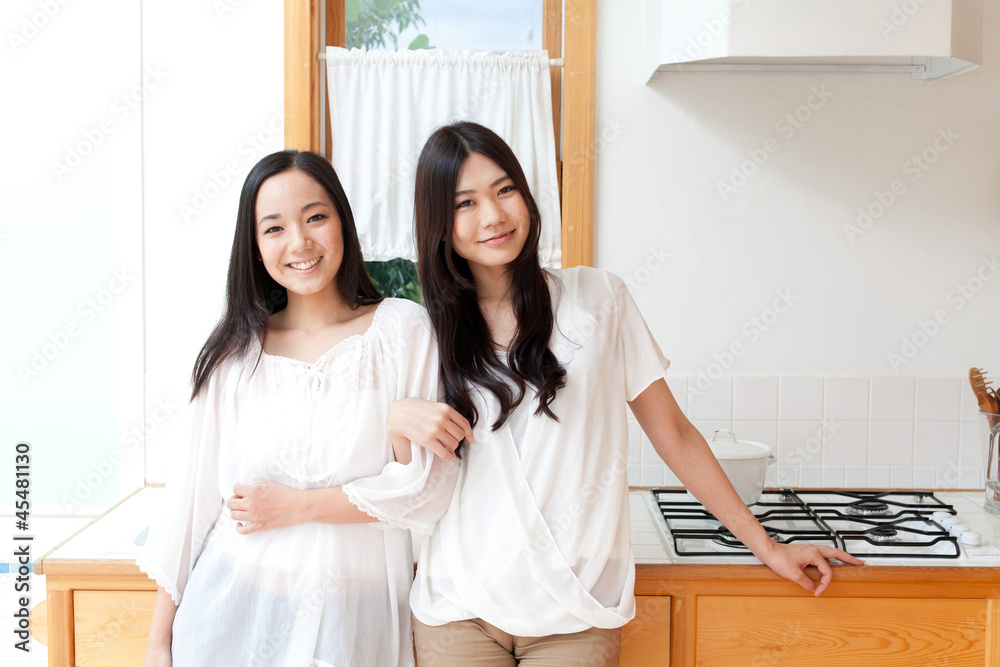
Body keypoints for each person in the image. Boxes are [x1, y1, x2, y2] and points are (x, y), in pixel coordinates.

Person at [239, 123, 864, 666]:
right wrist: (397, 420)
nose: (493, 216)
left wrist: (765, 544)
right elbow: (407, 484)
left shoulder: (600, 299)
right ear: (440, 224)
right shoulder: (424, 331)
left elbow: (672, 433)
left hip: (575, 611)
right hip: (458, 610)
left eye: (505, 189)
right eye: (465, 203)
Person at [136, 149, 459, 667]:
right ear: (255, 247)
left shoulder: (401, 330)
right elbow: (191, 503)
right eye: (274, 228)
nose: (300, 242)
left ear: (343, 224)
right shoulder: (235, 354)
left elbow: (425, 492)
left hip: (355, 624)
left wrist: (296, 506)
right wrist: (157, 644)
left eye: (315, 217)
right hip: (232, 613)